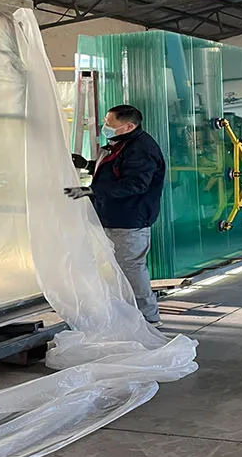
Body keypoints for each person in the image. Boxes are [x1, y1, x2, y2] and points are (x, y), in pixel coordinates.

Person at [65, 104, 167, 325]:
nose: (106, 127)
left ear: (129, 126)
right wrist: (88, 165)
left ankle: (148, 316)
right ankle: (125, 312)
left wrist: (93, 191)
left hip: (129, 218)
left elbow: (136, 184)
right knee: (115, 267)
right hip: (112, 215)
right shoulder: (122, 143)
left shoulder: (141, 149)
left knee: (131, 267)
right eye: (106, 122)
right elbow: (116, 170)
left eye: (110, 124)